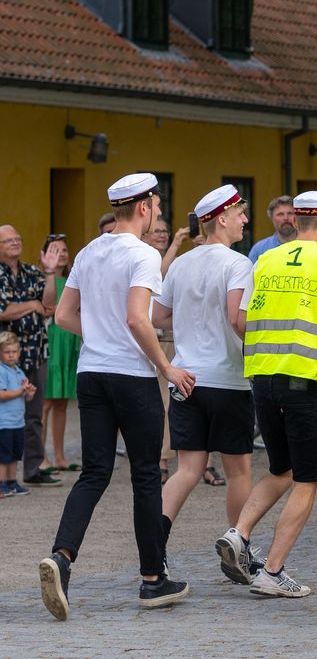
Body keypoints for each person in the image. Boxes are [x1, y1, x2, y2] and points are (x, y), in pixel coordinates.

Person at [38, 172, 194, 620]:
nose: (159, 214)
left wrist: (102, 336)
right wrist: (166, 367)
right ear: (144, 207)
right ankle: (152, 579)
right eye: (158, 207)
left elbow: (64, 316)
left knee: (94, 473)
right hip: (131, 376)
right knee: (146, 475)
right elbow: (137, 319)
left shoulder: (90, 250)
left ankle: (62, 558)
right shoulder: (143, 254)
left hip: (92, 374)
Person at [216, 190, 317, 598]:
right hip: (306, 381)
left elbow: (244, 319)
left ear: (295, 222)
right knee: (307, 480)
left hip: (262, 379)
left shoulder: (266, 259)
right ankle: (272, 572)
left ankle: (238, 534)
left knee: (281, 469)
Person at [152, 185, 255, 565]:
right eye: (240, 214)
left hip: (185, 376)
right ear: (221, 220)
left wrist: (191, 327)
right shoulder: (238, 263)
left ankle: (154, 546)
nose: (245, 220)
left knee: (187, 469)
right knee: (239, 470)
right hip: (227, 377)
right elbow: (236, 318)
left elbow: (158, 317)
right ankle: (239, 548)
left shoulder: (181, 263)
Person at [0, 224, 63, 488]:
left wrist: (49, 273)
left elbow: (48, 304)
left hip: (37, 352)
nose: (16, 242)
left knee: (33, 414)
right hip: (6, 356)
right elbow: (3, 311)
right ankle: (6, 474)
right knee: (5, 414)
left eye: (18, 238)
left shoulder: (30, 271)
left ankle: (33, 468)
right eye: (9, 240)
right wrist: (32, 305)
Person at [143, 216, 188, 483]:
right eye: (157, 231)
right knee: (162, 400)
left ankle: (191, 460)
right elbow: (159, 277)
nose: (162, 235)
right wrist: (176, 244)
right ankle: (160, 458)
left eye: (165, 231)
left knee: (180, 400)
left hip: (175, 335)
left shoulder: (179, 262)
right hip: (155, 337)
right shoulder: (145, 257)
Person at [42, 235, 82, 473]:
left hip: (69, 342)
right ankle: (40, 456)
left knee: (61, 403)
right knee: (45, 403)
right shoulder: (41, 278)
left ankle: (59, 456)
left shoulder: (71, 280)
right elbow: (46, 306)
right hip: (50, 341)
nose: (61, 254)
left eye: (65, 250)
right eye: (55, 249)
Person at [0, 331, 35, 497]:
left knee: (14, 455)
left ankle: (12, 482)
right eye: (7, 352)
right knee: (3, 456)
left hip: (17, 422)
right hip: (4, 423)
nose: (11, 355)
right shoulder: (2, 371)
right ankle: (1, 483)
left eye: (14, 351)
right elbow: (2, 394)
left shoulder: (19, 371)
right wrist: (20, 391)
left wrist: (29, 393)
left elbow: (25, 398)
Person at [247, 195, 297, 265]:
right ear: (272, 218)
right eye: (280, 214)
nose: (286, 218)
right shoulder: (259, 249)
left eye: (290, 213)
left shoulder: (309, 245)